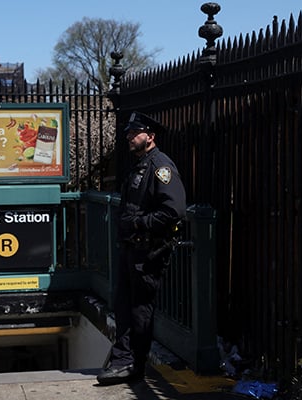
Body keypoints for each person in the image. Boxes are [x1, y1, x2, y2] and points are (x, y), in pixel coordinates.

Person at [96, 111, 187, 386]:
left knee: (139, 310)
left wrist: (138, 224)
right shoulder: (140, 166)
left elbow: (174, 211)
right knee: (124, 306)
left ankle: (133, 363)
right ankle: (123, 360)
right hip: (131, 251)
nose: (129, 137)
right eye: (128, 133)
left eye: (135, 133)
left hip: (147, 253)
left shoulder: (161, 166)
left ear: (150, 136)